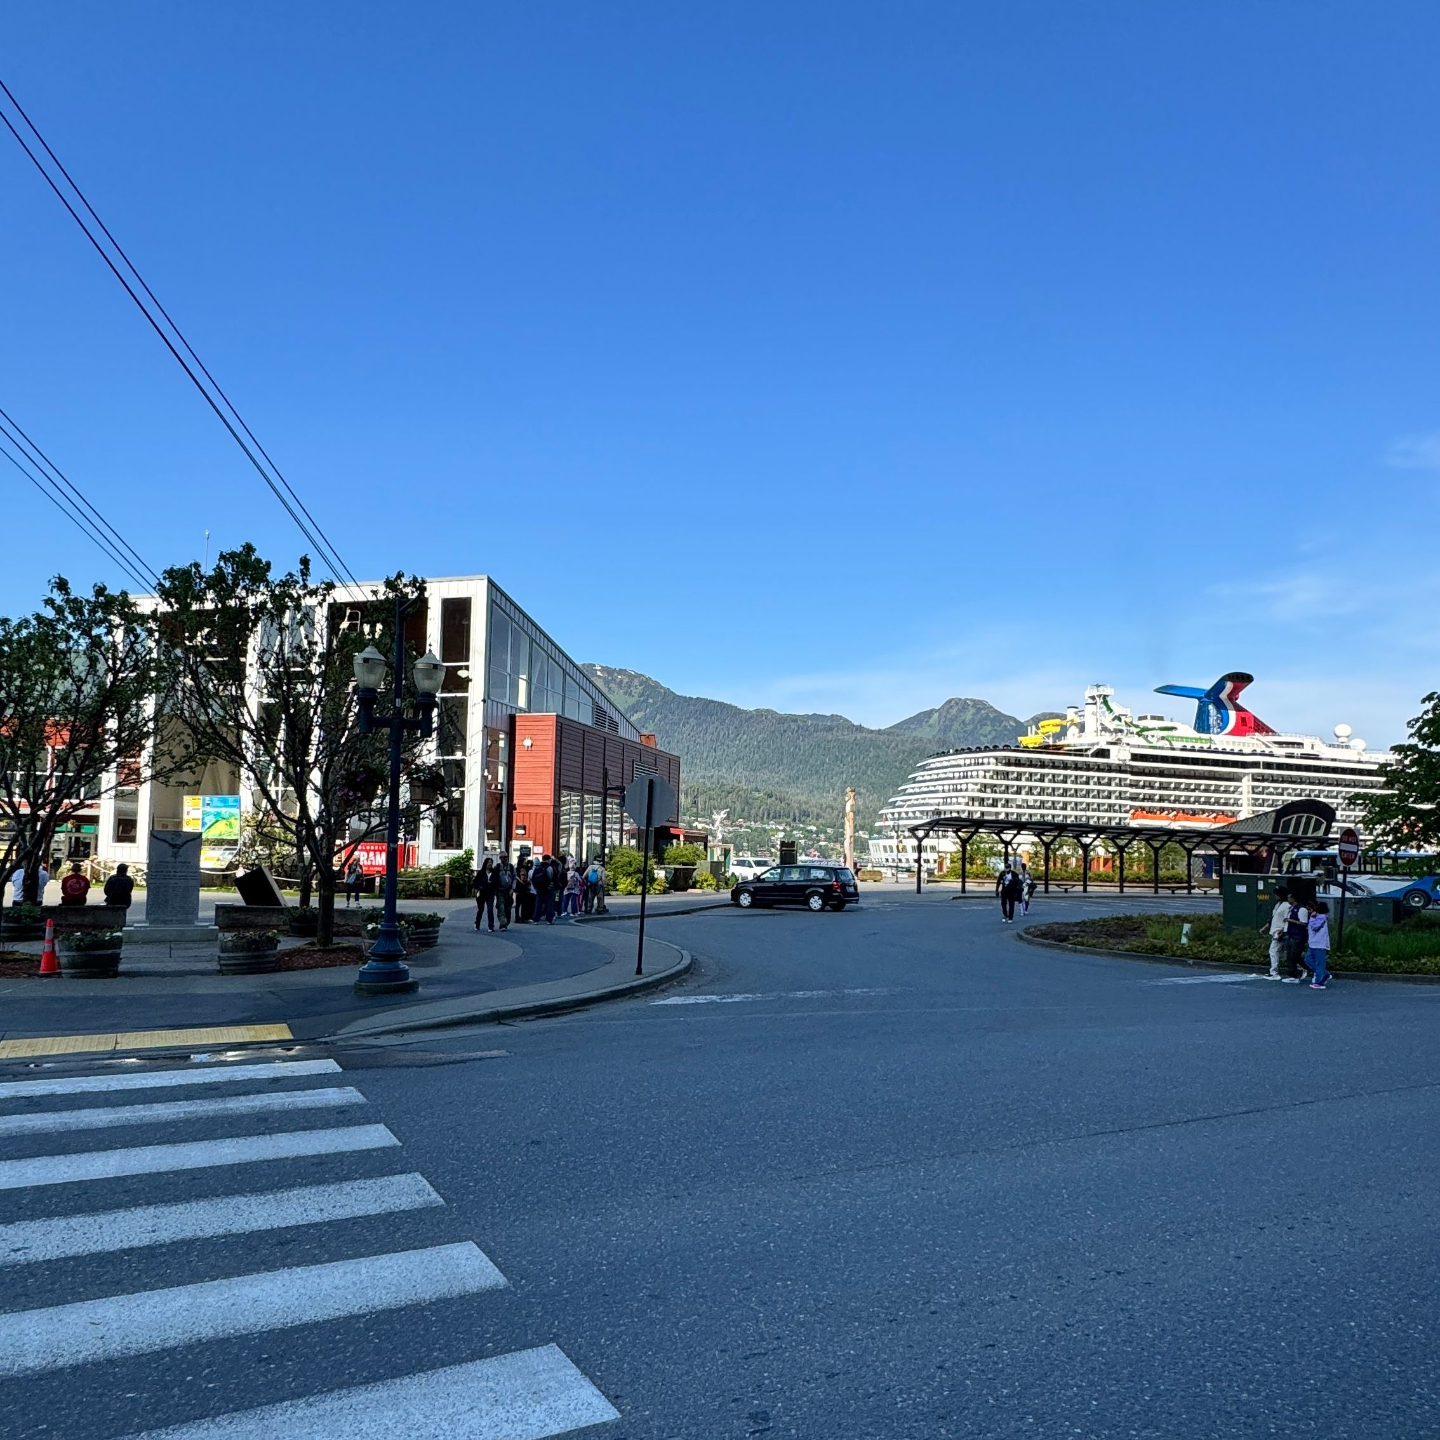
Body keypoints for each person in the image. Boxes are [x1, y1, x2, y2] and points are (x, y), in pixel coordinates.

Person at [1282, 891, 1311, 983]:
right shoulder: (1291, 908)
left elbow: (1304, 923)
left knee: (1293, 956)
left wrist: (1291, 920)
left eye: (1289, 898)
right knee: (1291, 955)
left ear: (1293, 898)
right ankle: (1304, 969)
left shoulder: (1301, 909)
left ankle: (1295, 975)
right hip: (1291, 934)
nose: (1288, 899)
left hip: (1298, 935)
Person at [1266, 887, 1291, 980]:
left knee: (1273, 951)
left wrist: (1283, 930)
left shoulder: (1286, 906)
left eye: (1276, 894)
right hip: (1275, 930)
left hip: (1279, 931)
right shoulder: (1278, 905)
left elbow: (1286, 920)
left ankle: (1274, 972)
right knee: (1279, 952)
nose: (1275, 896)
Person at [1307, 901, 1332, 990]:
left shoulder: (1322, 917)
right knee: (1308, 960)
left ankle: (1319, 982)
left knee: (1319, 963)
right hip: (1313, 943)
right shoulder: (1317, 916)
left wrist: (1311, 918)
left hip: (1320, 944)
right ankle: (1323, 974)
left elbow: (1315, 927)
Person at [474, 856, 498, 932]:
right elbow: (475, 883)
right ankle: (477, 924)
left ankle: (491, 926)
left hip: (490, 893)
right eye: (488, 862)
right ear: (485, 863)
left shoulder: (494, 873)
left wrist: (493, 886)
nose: (490, 864)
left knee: (490, 909)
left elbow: (497, 882)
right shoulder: (481, 873)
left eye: (491, 862)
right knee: (480, 910)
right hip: (482, 893)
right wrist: (480, 886)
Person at [533, 853, 556, 924]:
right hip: (548, 888)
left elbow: (533, 878)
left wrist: (536, 887)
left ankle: (536, 919)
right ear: (548, 860)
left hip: (539, 888)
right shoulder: (549, 867)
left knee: (538, 903)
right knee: (549, 903)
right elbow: (552, 877)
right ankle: (549, 919)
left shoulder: (537, 867)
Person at [495, 856, 516, 930]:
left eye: (506, 857)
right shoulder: (497, 867)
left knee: (508, 908)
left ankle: (506, 921)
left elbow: (514, 878)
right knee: (501, 907)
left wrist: (513, 888)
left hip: (509, 891)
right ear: (500, 858)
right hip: (500, 890)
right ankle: (503, 924)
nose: (505, 859)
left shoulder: (511, 867)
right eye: (503, 858)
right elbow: (494, 878)